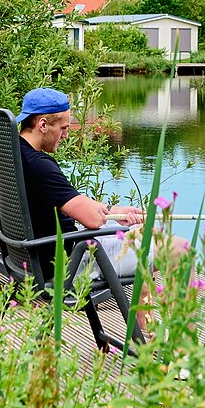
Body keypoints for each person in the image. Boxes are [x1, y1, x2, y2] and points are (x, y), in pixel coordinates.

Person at [16, 88, 187, 277]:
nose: (65, 136)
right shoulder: (40, 167)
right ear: (43, 125)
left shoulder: (13, 153)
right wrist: (112, 220)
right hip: (67, 261)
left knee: (148, 230)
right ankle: (179, 306)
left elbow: (71, 200)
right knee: (181, 250)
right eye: (63, 128)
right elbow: (92, 219)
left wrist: (115, 211)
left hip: (38, 253)